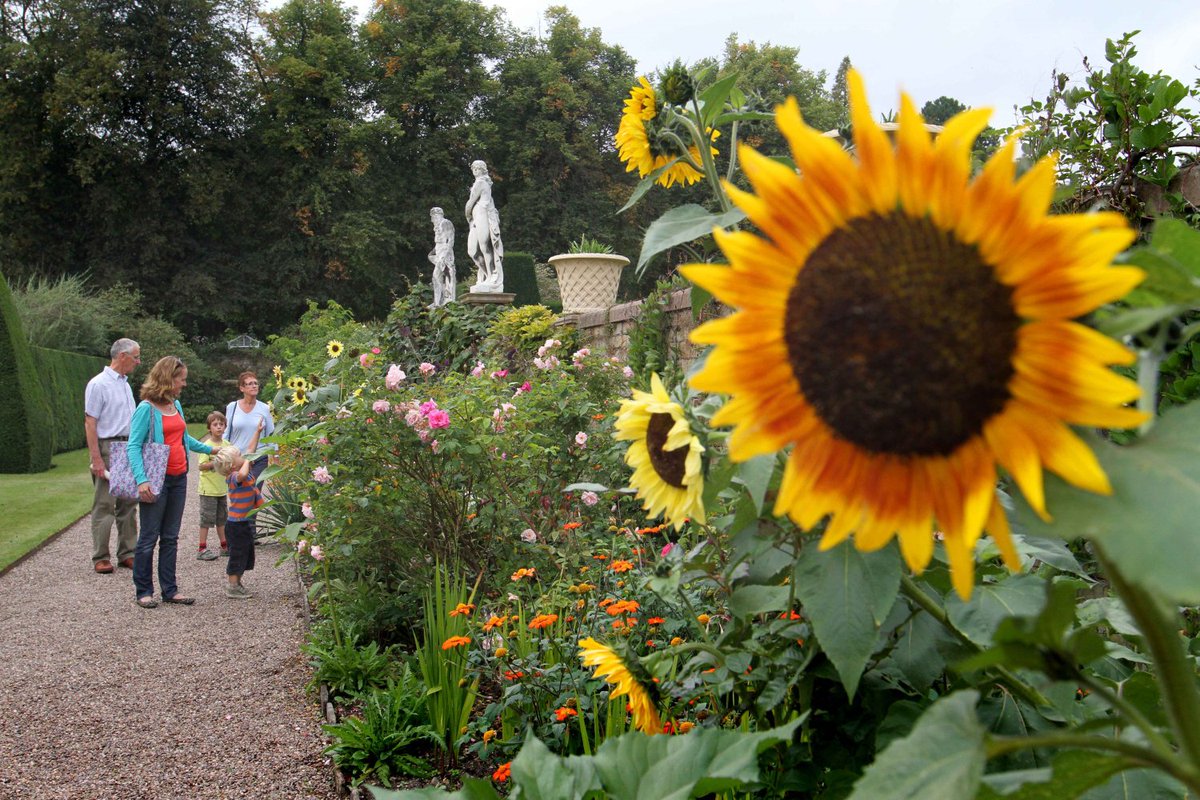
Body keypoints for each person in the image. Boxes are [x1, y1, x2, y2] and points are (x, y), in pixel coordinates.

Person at [127, 356, 215, 608]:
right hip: (156, 480)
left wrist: (211, 451)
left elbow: (185, 438)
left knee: (170, 537)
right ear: (168, 378)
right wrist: (142, 480)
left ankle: (170, 589)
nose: (184, 384)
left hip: (178, 478)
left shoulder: (175, 405)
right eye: (181, 379)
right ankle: (143, 591)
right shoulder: (146, 408)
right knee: (148, 537)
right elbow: (134, 446)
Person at [84, 338, 141, 574]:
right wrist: (96, 458)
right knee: (104, 503)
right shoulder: (98, 384)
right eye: (136, 357)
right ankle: (100, 556)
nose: (138, 362)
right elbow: (90, 422)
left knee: (128, 503)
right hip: (108, 446)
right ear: (122, 356)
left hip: (128, 447)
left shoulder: (125, 384)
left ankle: (127, 552)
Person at [219, 439, 264, 600]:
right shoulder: (233, 477)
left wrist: (257, 432)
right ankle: (232, 586)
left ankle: (237, 583)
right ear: (232, 465)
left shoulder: (242, 469)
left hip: (243, 523)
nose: (243, 456)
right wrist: (247, 460)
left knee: (245, 553)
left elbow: (250, 449)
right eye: (239, 455)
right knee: (237, 554)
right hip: (236, 525)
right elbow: (243, 473)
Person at [225, 371, 274, 487]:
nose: (254, 386)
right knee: (238, 492)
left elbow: (271, 434)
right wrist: (224, 454)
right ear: (242, 388)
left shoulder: (265, 408)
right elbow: (226, 433)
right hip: (237, 458)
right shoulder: (232, 407)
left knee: (254, 491)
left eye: (256, 383)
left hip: (259, 457)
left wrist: (275, 457)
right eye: (250, 383)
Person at [195, 411, 232, 560]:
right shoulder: (206, 446)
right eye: (215, 424)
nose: (218, 427)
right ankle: (202, 548)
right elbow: (201, 465)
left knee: (222, 519)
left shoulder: (227, 444)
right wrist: (216, 462)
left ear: (225, 427)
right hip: (208, 489)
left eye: (221, 424)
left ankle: (224, 545)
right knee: (206, 520)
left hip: (221, 489)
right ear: (209, 428)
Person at [464, 159, 504, 293]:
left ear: (483, 169)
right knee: (472, 251)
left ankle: (492, 276)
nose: (475, 170)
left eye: (478, 168)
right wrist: (470, 218)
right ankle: (487, 274)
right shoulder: (477, 183)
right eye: (473, 168)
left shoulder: (481, 183)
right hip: (475, 219)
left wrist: (467, 215)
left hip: (482, 215)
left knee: (484, 247)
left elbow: (470, 203)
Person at [428, 206, 456, 307]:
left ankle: (447, 300)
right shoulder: (438, 226)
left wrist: (444, 256)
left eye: (433, 217)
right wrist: (432, 253)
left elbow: (450, 241)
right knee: (437, 277)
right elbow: (438, 244)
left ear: (438, 215)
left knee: (446, 276)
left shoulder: (445, 223)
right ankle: (438, 302)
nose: (432, 220)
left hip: (445, 255)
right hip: (440, 253)